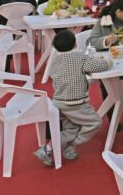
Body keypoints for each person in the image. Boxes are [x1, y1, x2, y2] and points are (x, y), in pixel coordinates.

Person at [33, 30, 112, 166]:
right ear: (75, 43)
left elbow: (53, 75)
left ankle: (48, 149)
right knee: (95, 123)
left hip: (58, 102)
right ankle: (71, 145)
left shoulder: (55, 61)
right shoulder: (80, 57)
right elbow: (98, 66)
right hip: (75, 103)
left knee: (71, 129)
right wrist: (108, 62)